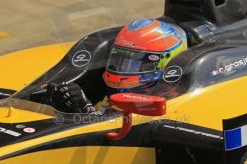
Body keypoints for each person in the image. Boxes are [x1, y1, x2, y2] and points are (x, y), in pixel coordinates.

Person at [46, 18, 188, 114]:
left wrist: (86, 109)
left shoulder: (173, 101)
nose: (121, 70)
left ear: (165, 62)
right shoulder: (111, 94)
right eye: (119, 60)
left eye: (136, 64)